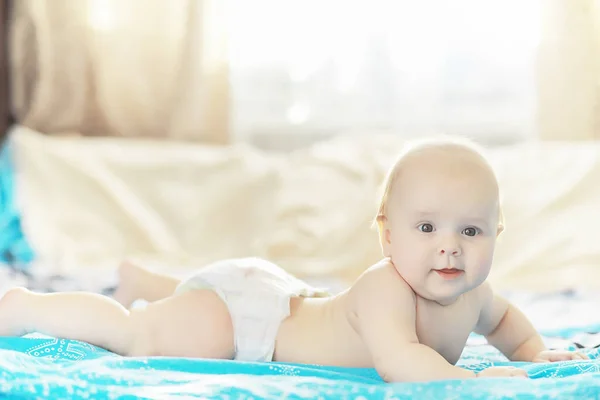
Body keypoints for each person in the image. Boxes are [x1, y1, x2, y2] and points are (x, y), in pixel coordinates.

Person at [0, 136, 587, 382]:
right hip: (246, 323)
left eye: (472, 230)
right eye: (427, 227)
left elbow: (507, 323)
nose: (449, 245)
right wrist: (475, 381)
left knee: (177, 305)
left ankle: (146, 280)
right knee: (138, 334)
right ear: (386, 237)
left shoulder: (473, 295)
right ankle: (27, 305)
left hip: (284, 299)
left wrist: (533, 352)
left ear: (497, 234)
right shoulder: (387, 288)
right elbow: (401, 363)